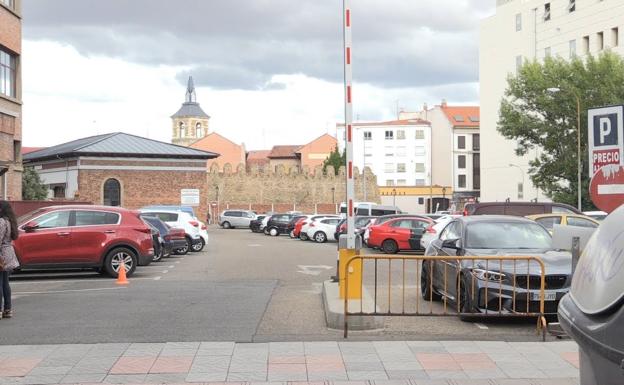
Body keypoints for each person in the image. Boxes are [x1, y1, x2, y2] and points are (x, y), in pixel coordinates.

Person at [0, 201, 19, 320]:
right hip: (8, 253)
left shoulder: (1, 222)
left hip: (1, 254)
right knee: (5, 282)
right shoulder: (10, 221)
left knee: (0, 283)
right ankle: (8, 309)